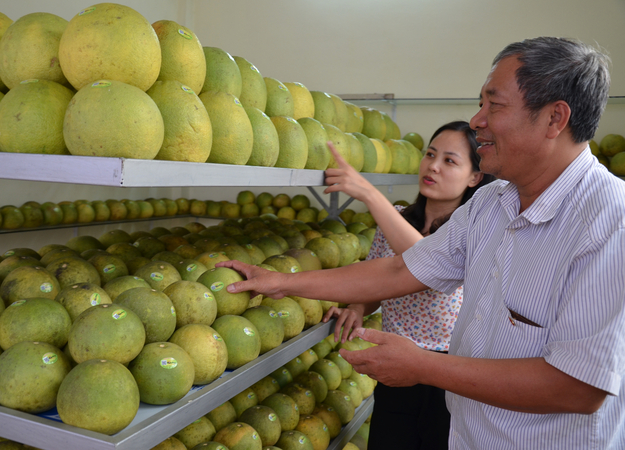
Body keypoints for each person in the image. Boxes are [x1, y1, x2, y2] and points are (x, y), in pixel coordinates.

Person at [218, 37, 625, 448]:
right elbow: (401, 267)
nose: (477, 119)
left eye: (494, 104)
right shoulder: (491, 202)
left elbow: (579, 388)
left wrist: (423, 367)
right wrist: (280, 282)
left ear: (555, 119)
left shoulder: (610, 222)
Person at [323, 120, 494, 449]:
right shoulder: (395, 219)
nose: (433, 166)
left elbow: (426, 263)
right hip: (394, 368)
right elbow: (379, 280)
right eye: (430, 154)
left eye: (450, 160)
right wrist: (359, 306)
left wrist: (370, 194)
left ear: (475, 177)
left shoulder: (470, 232)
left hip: (446, 375)